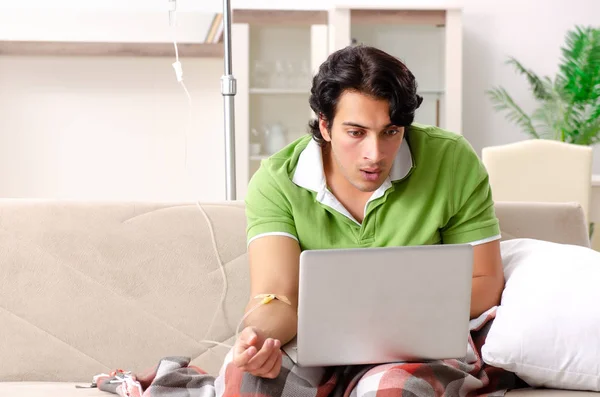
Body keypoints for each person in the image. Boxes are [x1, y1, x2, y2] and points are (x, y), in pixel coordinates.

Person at [214, 45, 521, 397]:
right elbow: (278, 298)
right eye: (356, 132)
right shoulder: (276, 180)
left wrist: (392, 311)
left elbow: (486, 281)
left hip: (413, 348)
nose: (374, 155)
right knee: (245, 383)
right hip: (308, 346)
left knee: (392, 390)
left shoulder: (451, 160)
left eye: (390, 131)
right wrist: (258, 341)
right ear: (325, 125)